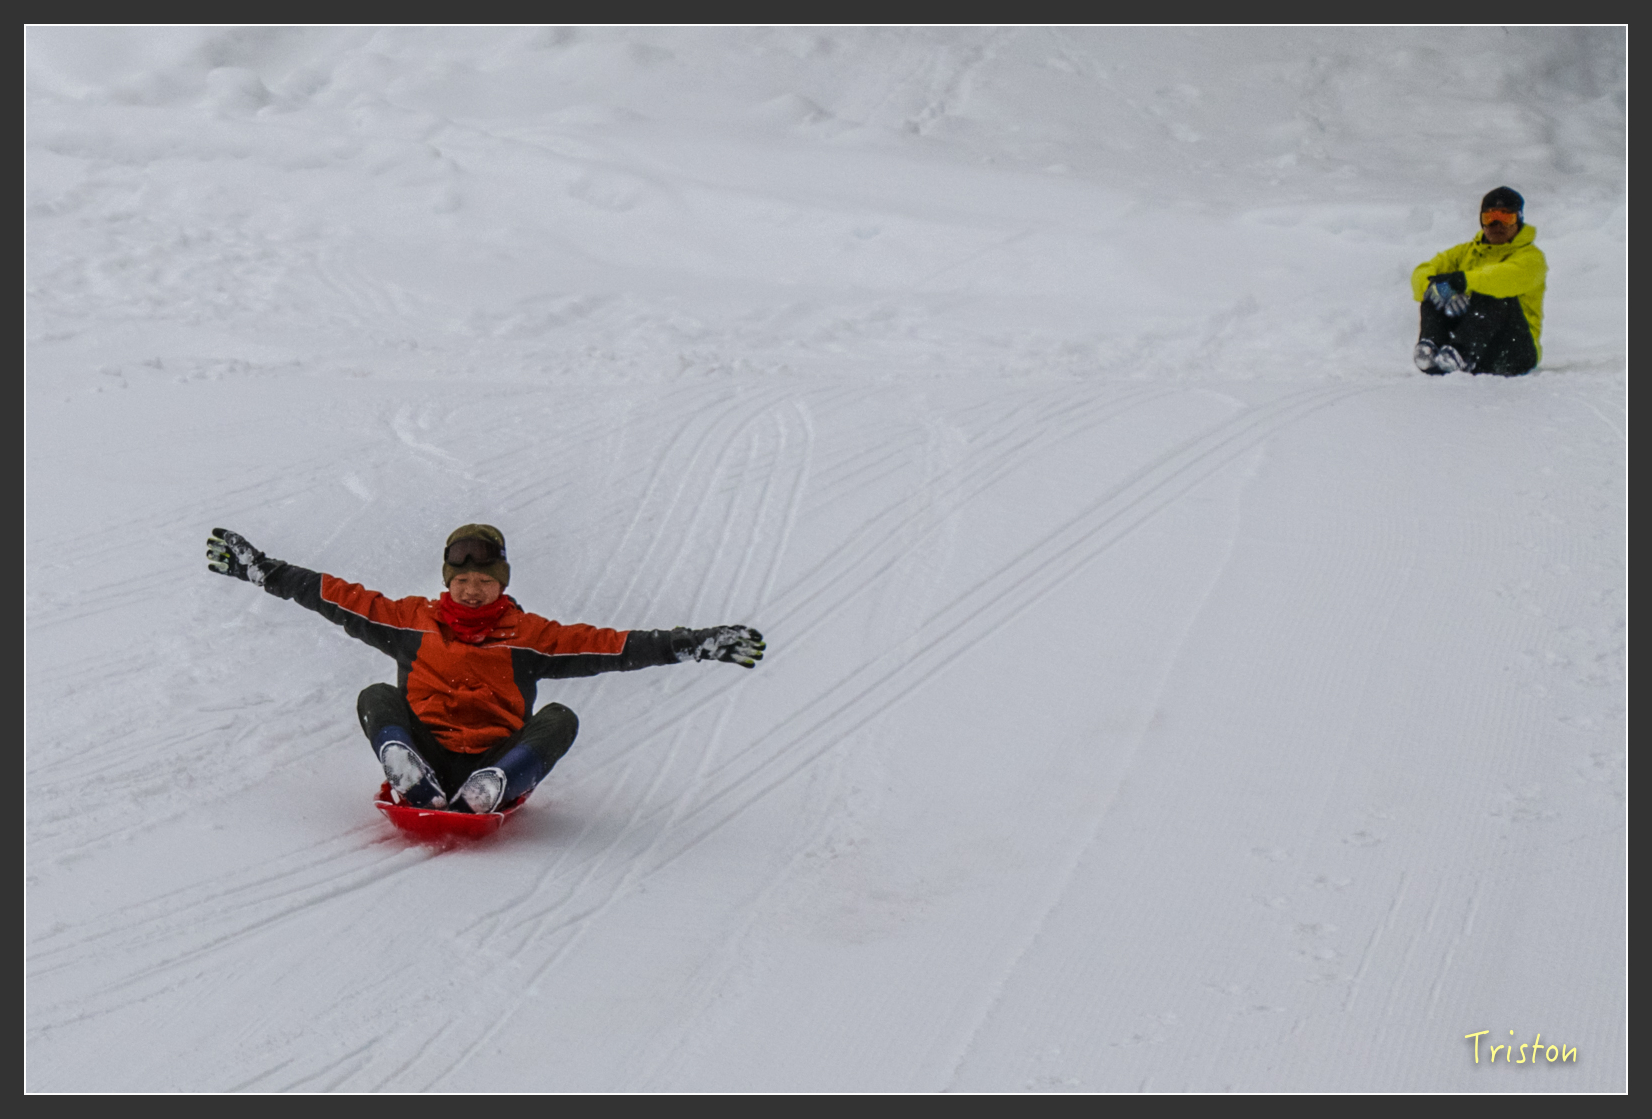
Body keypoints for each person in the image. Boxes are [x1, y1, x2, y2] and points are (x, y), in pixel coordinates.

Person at [205, 523, 765, 814]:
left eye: (485, 582)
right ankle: (410, 774)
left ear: (502, 584)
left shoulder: (532, 638)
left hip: (495, 760)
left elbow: (618, 646)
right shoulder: (410, 623)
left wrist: (694, 644)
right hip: (426, 748)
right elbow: (337, 597)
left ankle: (492, 787)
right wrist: (264, 571)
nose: (473, 591)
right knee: (377, 695)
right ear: (448, 581)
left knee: (560, 716)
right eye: (463, 581)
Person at [1411, 186, 1546, 376]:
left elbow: (1504, 278)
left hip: (1514, 351)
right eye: (1489, 218)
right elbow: (1421, 271)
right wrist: (1435, 287)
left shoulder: (1531, 258)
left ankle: (1461, 352)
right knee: (1435, 287)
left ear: (1519, 220)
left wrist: (1462, 281)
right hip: (1478, 347)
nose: (1497, 225)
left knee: (1493, 293)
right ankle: (1432, 349)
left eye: (1506, 218)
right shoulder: (1465, 253)